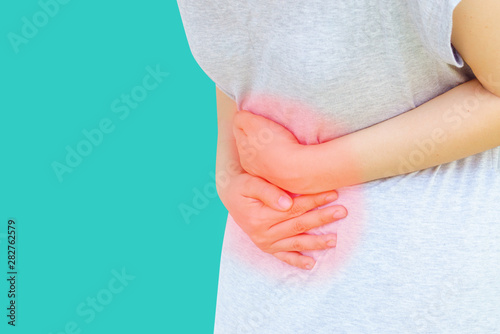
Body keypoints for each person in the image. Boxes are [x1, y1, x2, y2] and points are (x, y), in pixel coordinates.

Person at [177, 0, 500, 332]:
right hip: (262, 298)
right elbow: (252, 62)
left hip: (421, 294)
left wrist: (314, 167)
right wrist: (230, 172)